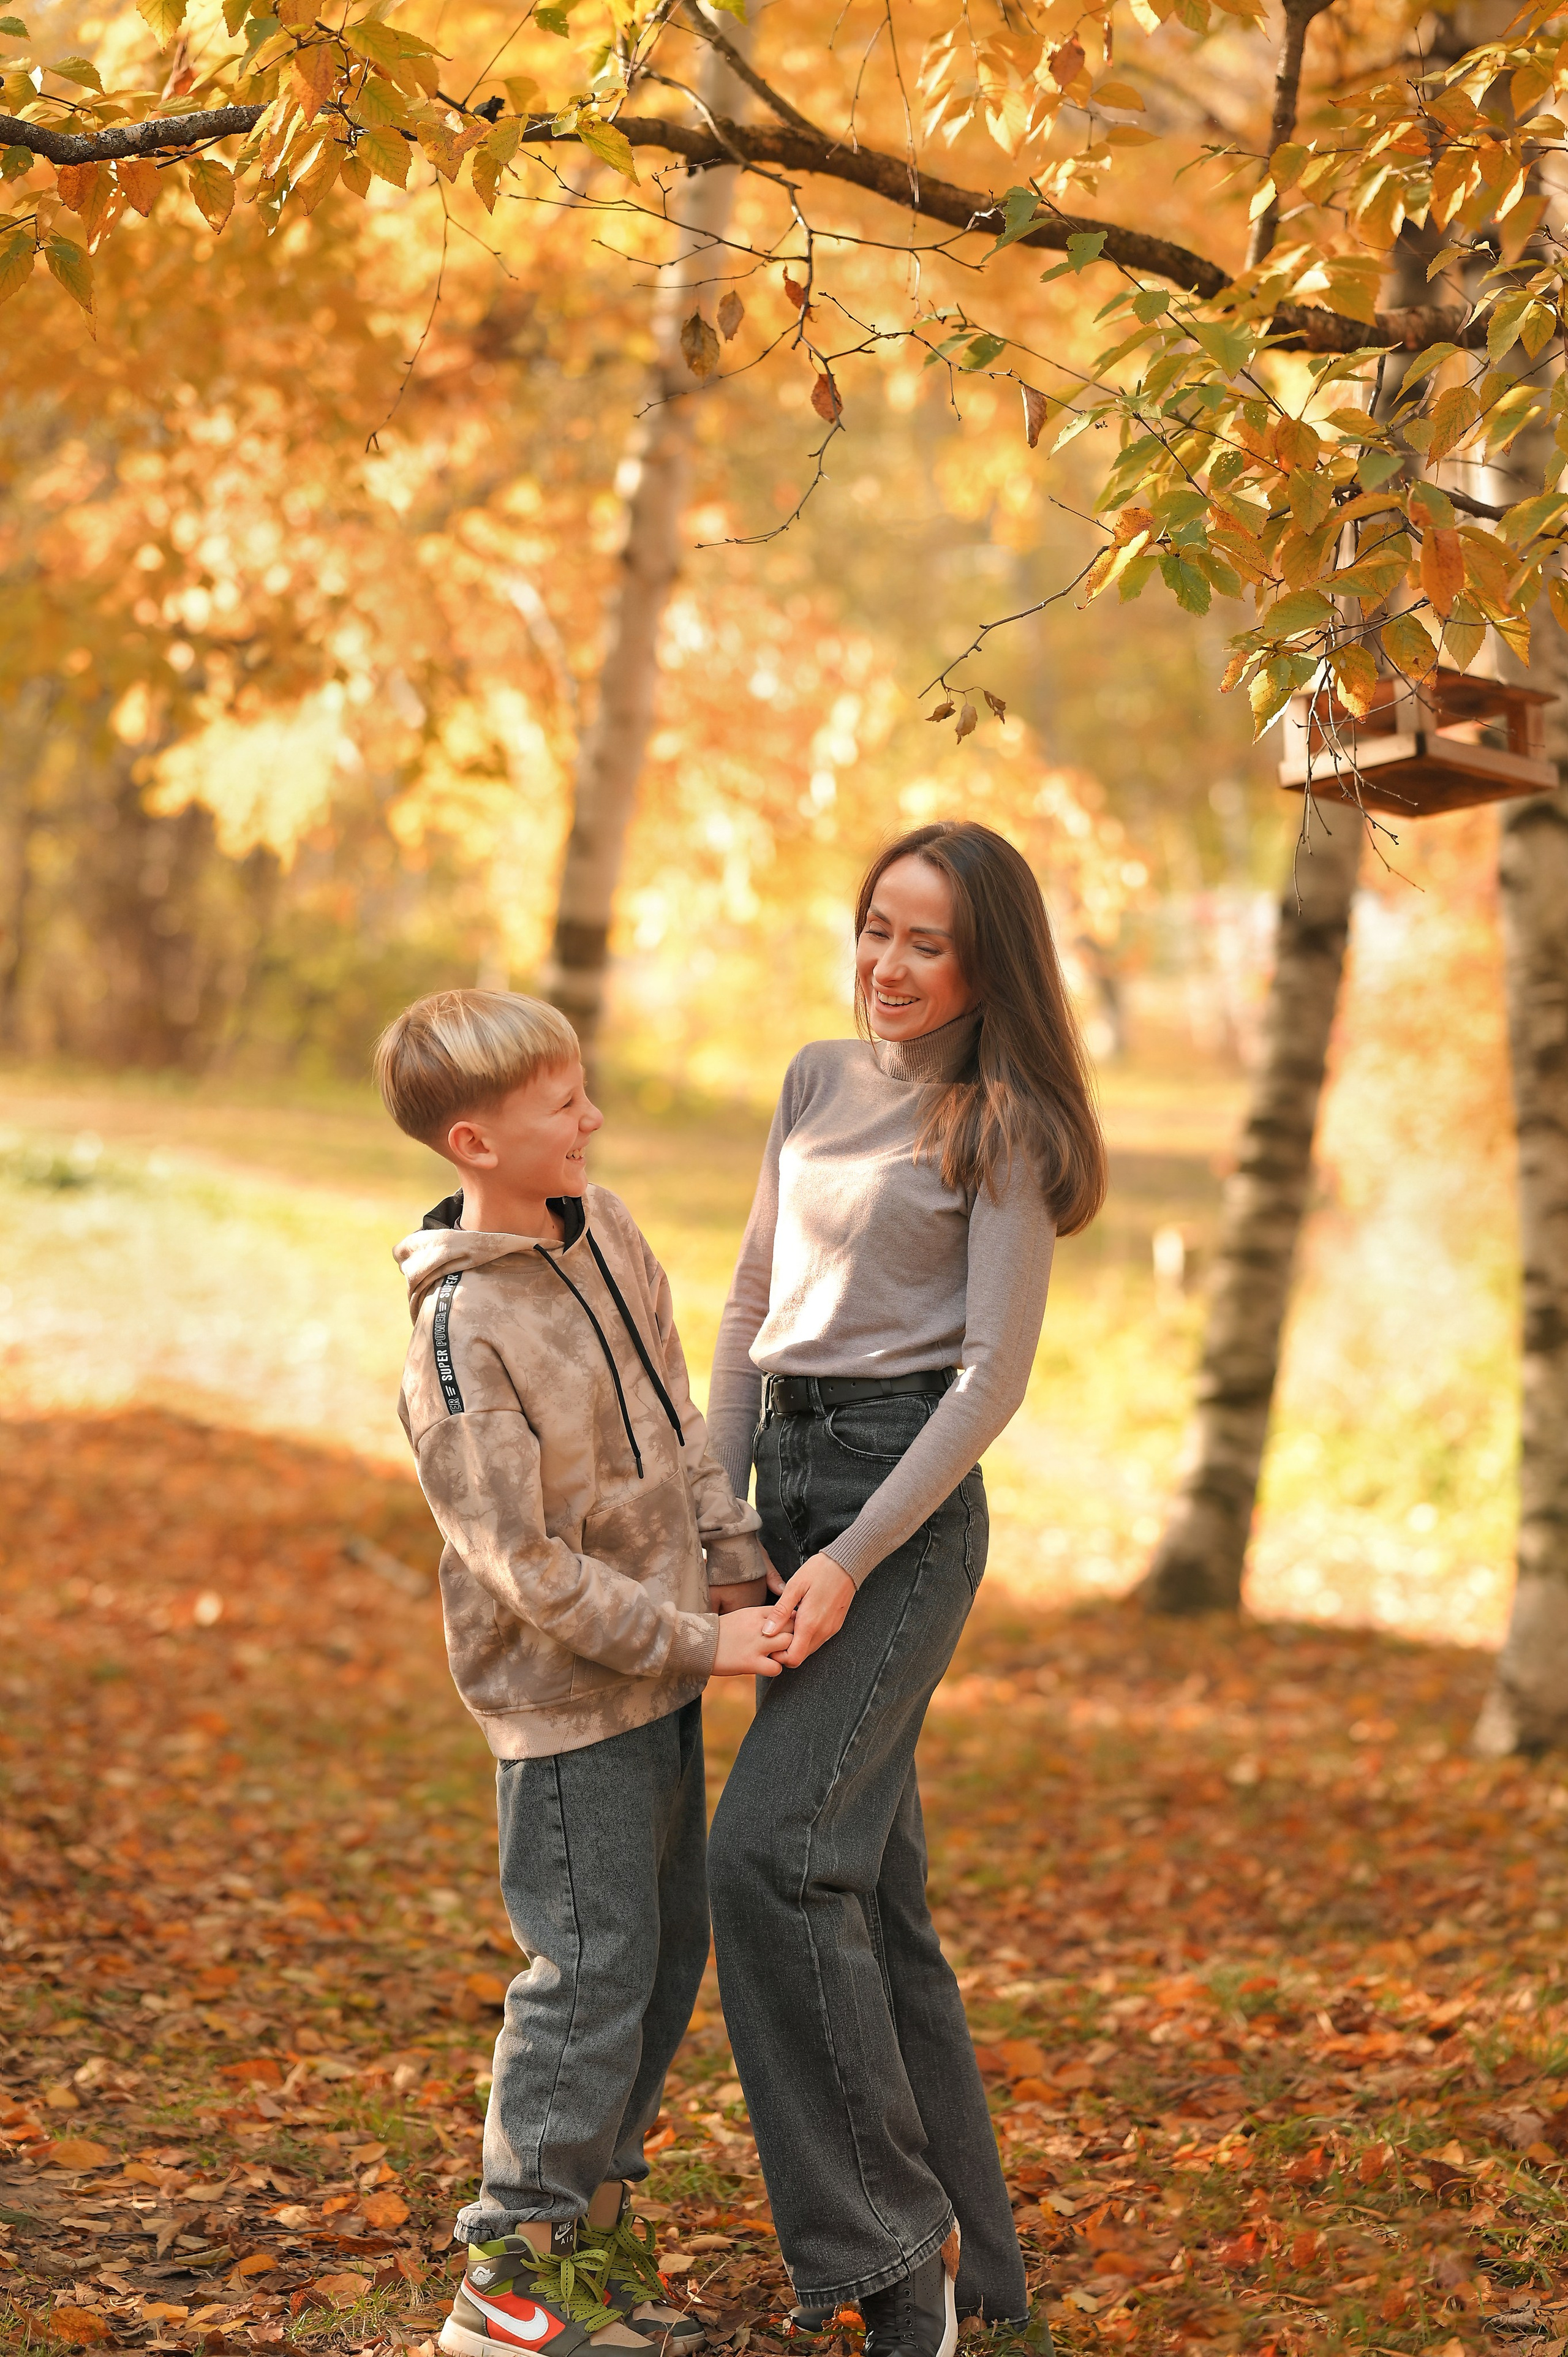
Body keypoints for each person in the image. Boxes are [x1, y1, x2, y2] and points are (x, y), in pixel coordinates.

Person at [704, 822, 1107, 2357]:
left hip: (902, 1511)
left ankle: (890, 2260)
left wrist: (846, 1556)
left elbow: (988, 1382)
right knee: (872, 1890)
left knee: (770, 1858)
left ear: (985, 962)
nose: (885, 963)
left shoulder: (1000, 1126)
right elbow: (748, 1304)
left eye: (923, 942)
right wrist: (719, 1519)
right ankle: (985, 2281)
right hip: (783, 1483)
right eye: (876, 926)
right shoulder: (815, 1077)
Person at [375, 989, 787, 2357]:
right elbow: (526, 1570)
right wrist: (700, 1639)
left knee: (661, 1961)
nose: (593, 1118)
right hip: (563, 1707)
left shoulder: (599, 1228)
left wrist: (730, 1562)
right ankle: (505, 2280)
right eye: (565, 1106)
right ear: (475, 1138)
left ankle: (590, 2252)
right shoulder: (455, 1340)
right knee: (586, 1968)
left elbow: (676, 1407)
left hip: (661, 1666)